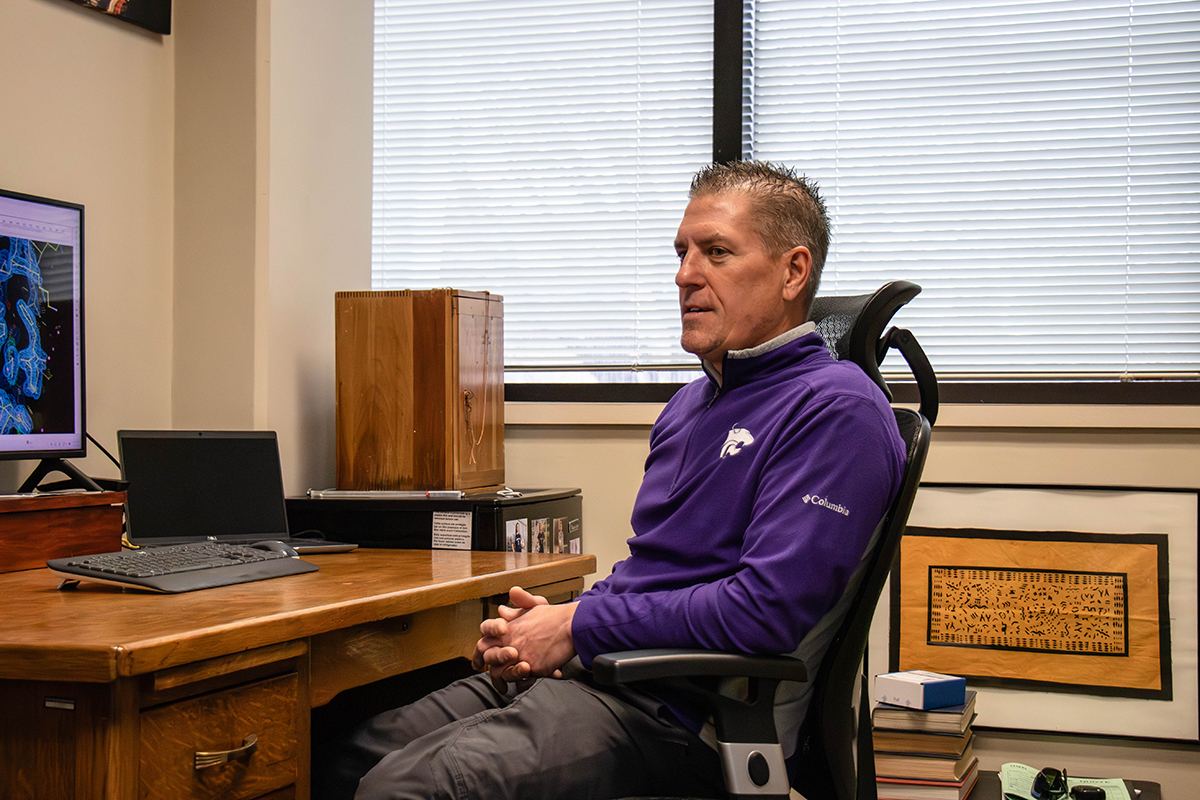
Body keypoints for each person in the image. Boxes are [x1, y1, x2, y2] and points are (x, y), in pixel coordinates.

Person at [326, 161, 906, 800]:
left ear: (793, 271)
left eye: (716, 252)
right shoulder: (690, 406)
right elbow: (657, 576)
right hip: (605, 673)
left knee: (406, 788)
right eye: (681, 253)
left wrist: (578, 626)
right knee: (346, 754)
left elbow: (764, 610)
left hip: (682, 714)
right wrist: (555, 623)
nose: (685, 274)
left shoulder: (835, 409)